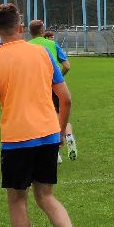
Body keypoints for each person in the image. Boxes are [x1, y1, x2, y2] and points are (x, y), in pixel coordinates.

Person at [0, 2, 89, 227]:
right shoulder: (42, 52)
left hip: (17, 140)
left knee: (17, 201)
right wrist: (62, 130)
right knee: (47, 196)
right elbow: (66, 99)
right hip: (48, 136)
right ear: (19, 27)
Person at [29, 20, 77, 160]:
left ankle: (54, 153)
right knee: (59, 115)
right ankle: (68, 136)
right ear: (42, 31)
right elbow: (67, 66)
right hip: (56, 86)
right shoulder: (52, 45)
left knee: (44, 119)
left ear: (30, 32)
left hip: (37, 87)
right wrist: (59, 78)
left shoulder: (27, 46)